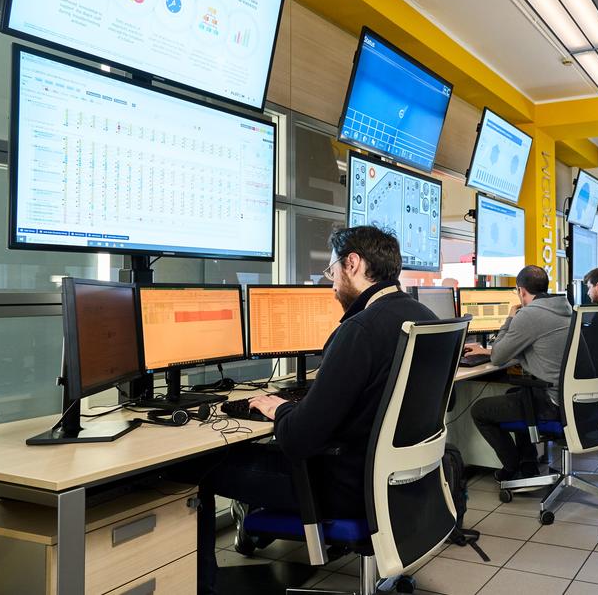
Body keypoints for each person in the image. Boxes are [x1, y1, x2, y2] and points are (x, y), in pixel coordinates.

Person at [185, 226, 436, 594]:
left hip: (347, 487)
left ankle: (201, 588)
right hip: (401, 483)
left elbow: (299, 440)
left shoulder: (360, 330)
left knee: (201, 467)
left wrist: (280, 409)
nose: (332, 285)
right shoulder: (425, 316)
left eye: (332, 272)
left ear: (353, 263)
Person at [465, 265, 572, 481]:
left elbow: (497, 358)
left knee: (480, 411)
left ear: (521, 291)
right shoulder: (564, 308)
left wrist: (510, 318)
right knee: (514, 393)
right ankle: (528, 463)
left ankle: (511, 467)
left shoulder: (529, 314)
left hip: (552, 403)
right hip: (569, 399)